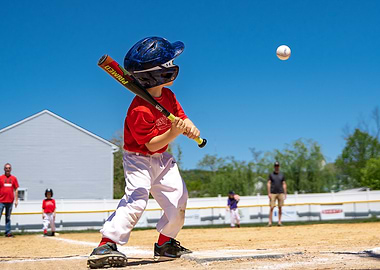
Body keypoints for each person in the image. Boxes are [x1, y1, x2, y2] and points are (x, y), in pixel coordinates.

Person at [87, 37, 202, 269]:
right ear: (156, 74)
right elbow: (150, 144)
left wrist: (189, 125)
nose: (172, 65)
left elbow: (180, 115)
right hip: (138, 160)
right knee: (137, 199)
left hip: (162, 159)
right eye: (168, 63)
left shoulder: (168, 97)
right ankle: (106, 243)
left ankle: (165, 243)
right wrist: (173, 132)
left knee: (179, 198)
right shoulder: (139, 109)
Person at [0, 163, 19, 237]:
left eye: (9, 168)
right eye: (6, 168)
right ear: (4, 169)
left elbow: (16, 189)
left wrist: (16, 200)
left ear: (11, 169)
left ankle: (8, 232)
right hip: (1, 201)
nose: (8, 169)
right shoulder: (1, 178)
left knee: (8, 217)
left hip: (10, 201)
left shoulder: (14, 178)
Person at [267, 161, 287, 227]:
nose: (276, 167)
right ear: (274, 167)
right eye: (275, 166)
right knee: (271, 207)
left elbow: (284, 184)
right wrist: (269, 193)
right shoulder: (271, 175)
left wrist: (285, 193)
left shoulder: (282, 175)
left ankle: (279, 222)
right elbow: (268, 183)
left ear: (279, 166)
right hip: (273, 193)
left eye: (277, 166)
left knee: (280, 207)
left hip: (280, 193)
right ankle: (270, 222)